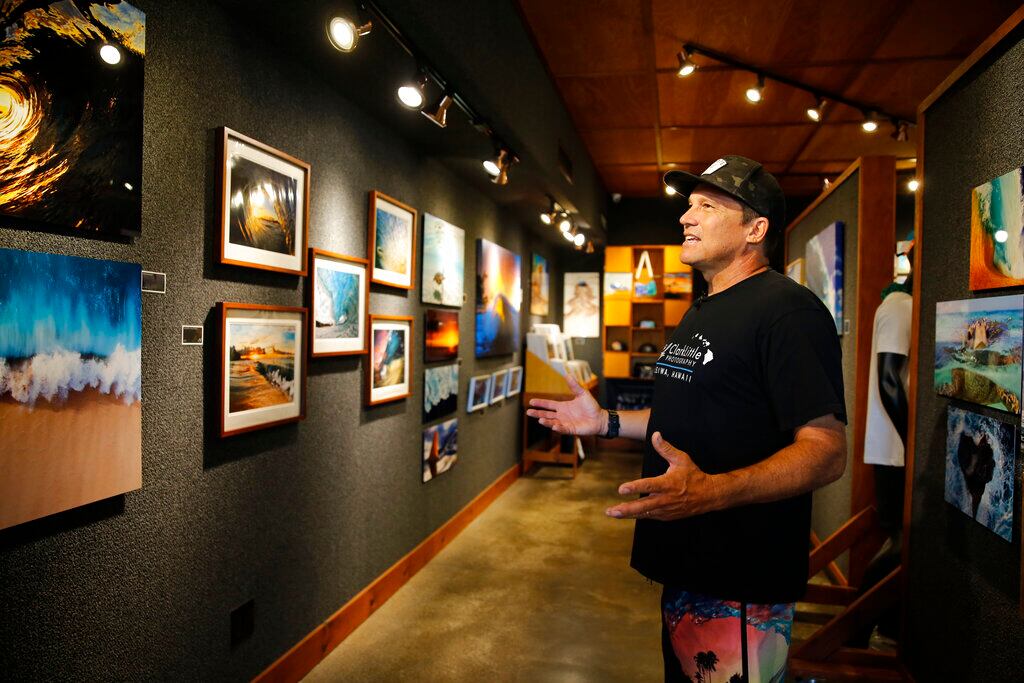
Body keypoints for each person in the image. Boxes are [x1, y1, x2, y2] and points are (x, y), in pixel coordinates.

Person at [527, 156, 848, 683]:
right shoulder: (702, 309)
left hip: (740, 579)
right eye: (688, 205)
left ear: (755, 229)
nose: (685, 217)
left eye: (706, 205)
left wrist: (714, 492)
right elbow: (684, 415)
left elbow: (826, 449)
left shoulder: (789, 312)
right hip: (686, 563)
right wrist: (604, 421)